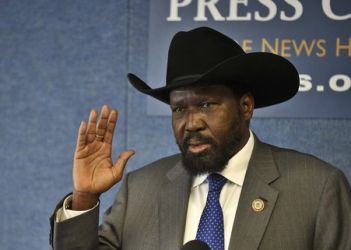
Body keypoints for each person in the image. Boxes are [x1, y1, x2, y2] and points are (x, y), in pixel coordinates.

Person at [50, 27, 351, 250]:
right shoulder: (140, 188)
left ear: (245, 107)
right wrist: (85, 198)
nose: (191, 123)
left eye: (207, 105)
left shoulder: (318, 187)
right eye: (179, 108)